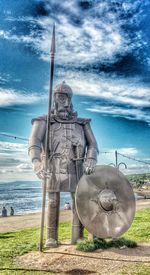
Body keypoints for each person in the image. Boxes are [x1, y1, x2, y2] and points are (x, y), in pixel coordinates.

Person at [28, 81, 99, 247]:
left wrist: (90, 159)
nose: (65, 103)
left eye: (68, 99)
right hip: (53, 167)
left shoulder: (82, 123)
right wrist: (36, 162)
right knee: (52, 201)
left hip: (77, 168)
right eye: (61, 98)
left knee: (78, 201)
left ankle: (78, 236)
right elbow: (34, 143)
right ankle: (51, 237)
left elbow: (93, 145)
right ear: (54, 99)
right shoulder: (43, 121)